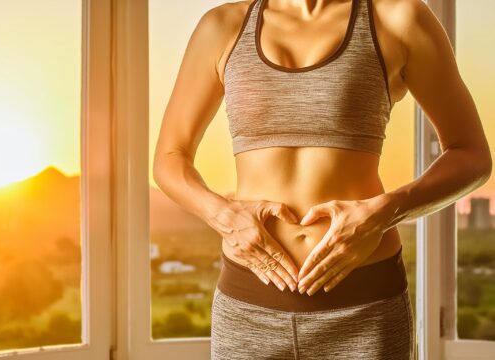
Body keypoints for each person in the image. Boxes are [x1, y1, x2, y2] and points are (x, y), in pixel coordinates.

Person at [152, 0, 492, 359]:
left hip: (364, 309)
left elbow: (471, 154)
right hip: (249, 310)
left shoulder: (398, 19)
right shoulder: (222, 26)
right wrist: (223, 216)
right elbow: (169, 158)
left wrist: (386, 211)